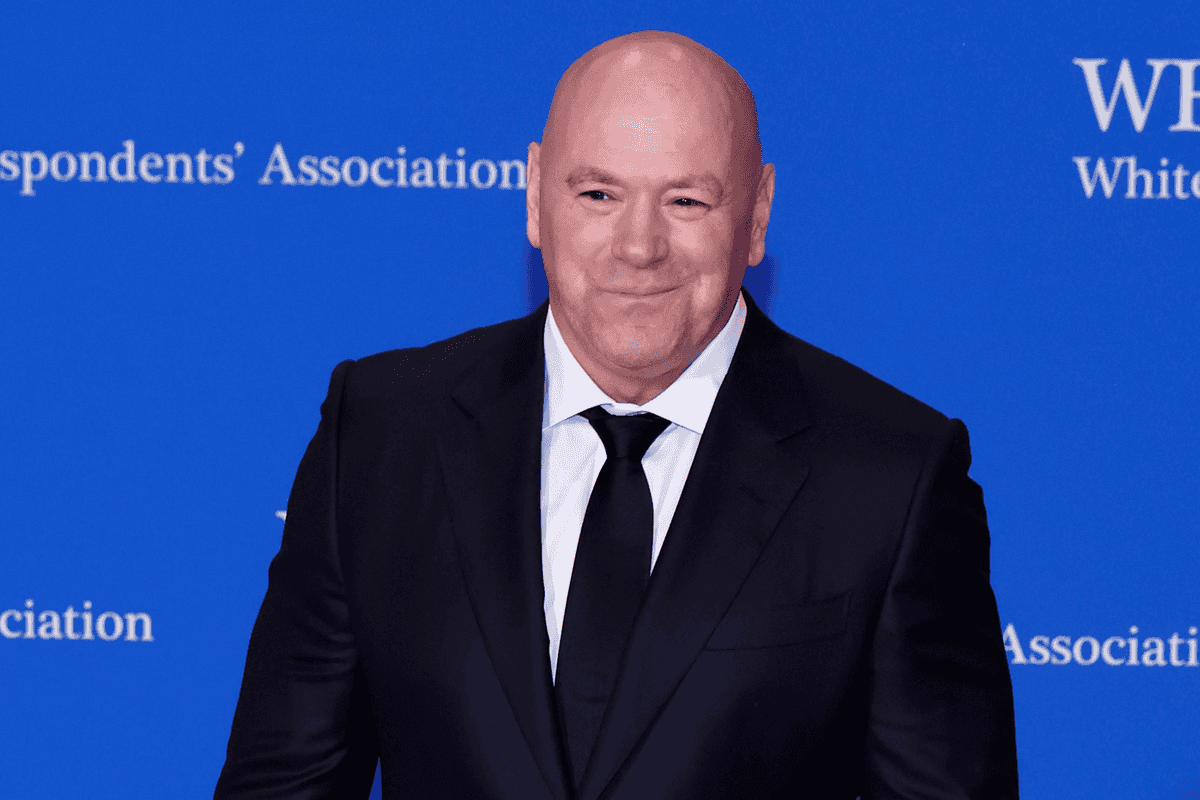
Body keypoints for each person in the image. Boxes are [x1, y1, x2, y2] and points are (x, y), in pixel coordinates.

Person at [215, 30, 1018, 800]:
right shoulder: (381, 436)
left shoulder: (893, 476)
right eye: (598, 193)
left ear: (758, 215)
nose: (639, 246)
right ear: (536, 198)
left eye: (687, 200)